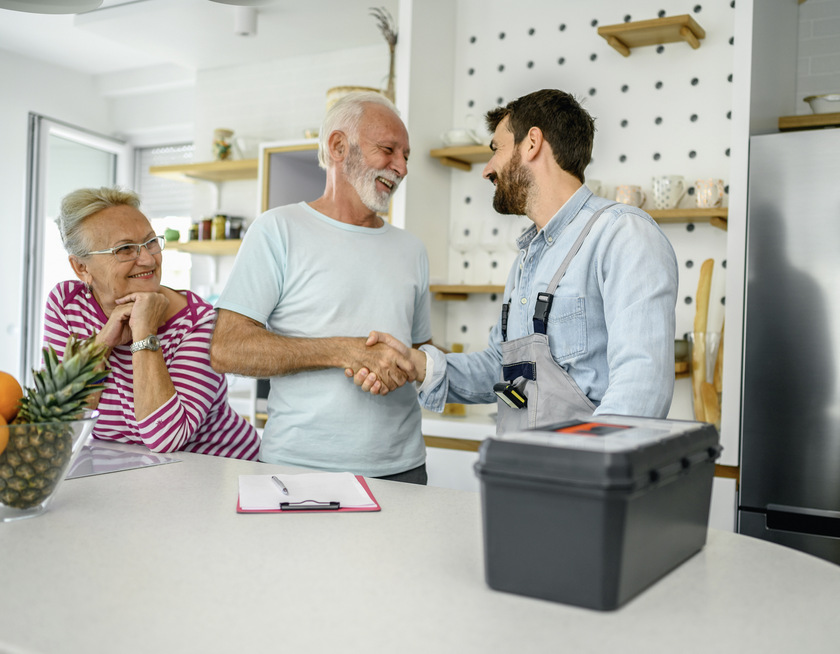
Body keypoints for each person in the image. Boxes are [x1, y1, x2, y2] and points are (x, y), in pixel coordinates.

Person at [353, 89, 678, 433]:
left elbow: (642, 387)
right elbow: (503, 368)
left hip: (586, 477)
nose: (487, 170)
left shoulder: (622, 234)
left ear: (532, 143)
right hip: (523, 467)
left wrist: (588, 468)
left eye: (496, 150)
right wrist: (417, 364)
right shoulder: (530, 256)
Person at [210, 91, 432, 483]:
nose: (401, 167)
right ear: (339, 147)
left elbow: (419, 351)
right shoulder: (277, 230)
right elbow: (228, 349)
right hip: (296, 471)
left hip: (404, 470)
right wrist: (344, 352)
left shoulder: (412, 250)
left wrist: (401, 365)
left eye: (406, 156)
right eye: (388, 150)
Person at [44, 186, 260, 460]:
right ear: (82, 268)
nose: (147, 259)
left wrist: (144, 331)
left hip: (222, 472)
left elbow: (166, 437)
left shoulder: (200, 323)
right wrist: (101, 345)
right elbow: (61, 426)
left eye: (150, 242)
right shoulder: (68, 304)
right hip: (132, 472)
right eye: (124, 249)